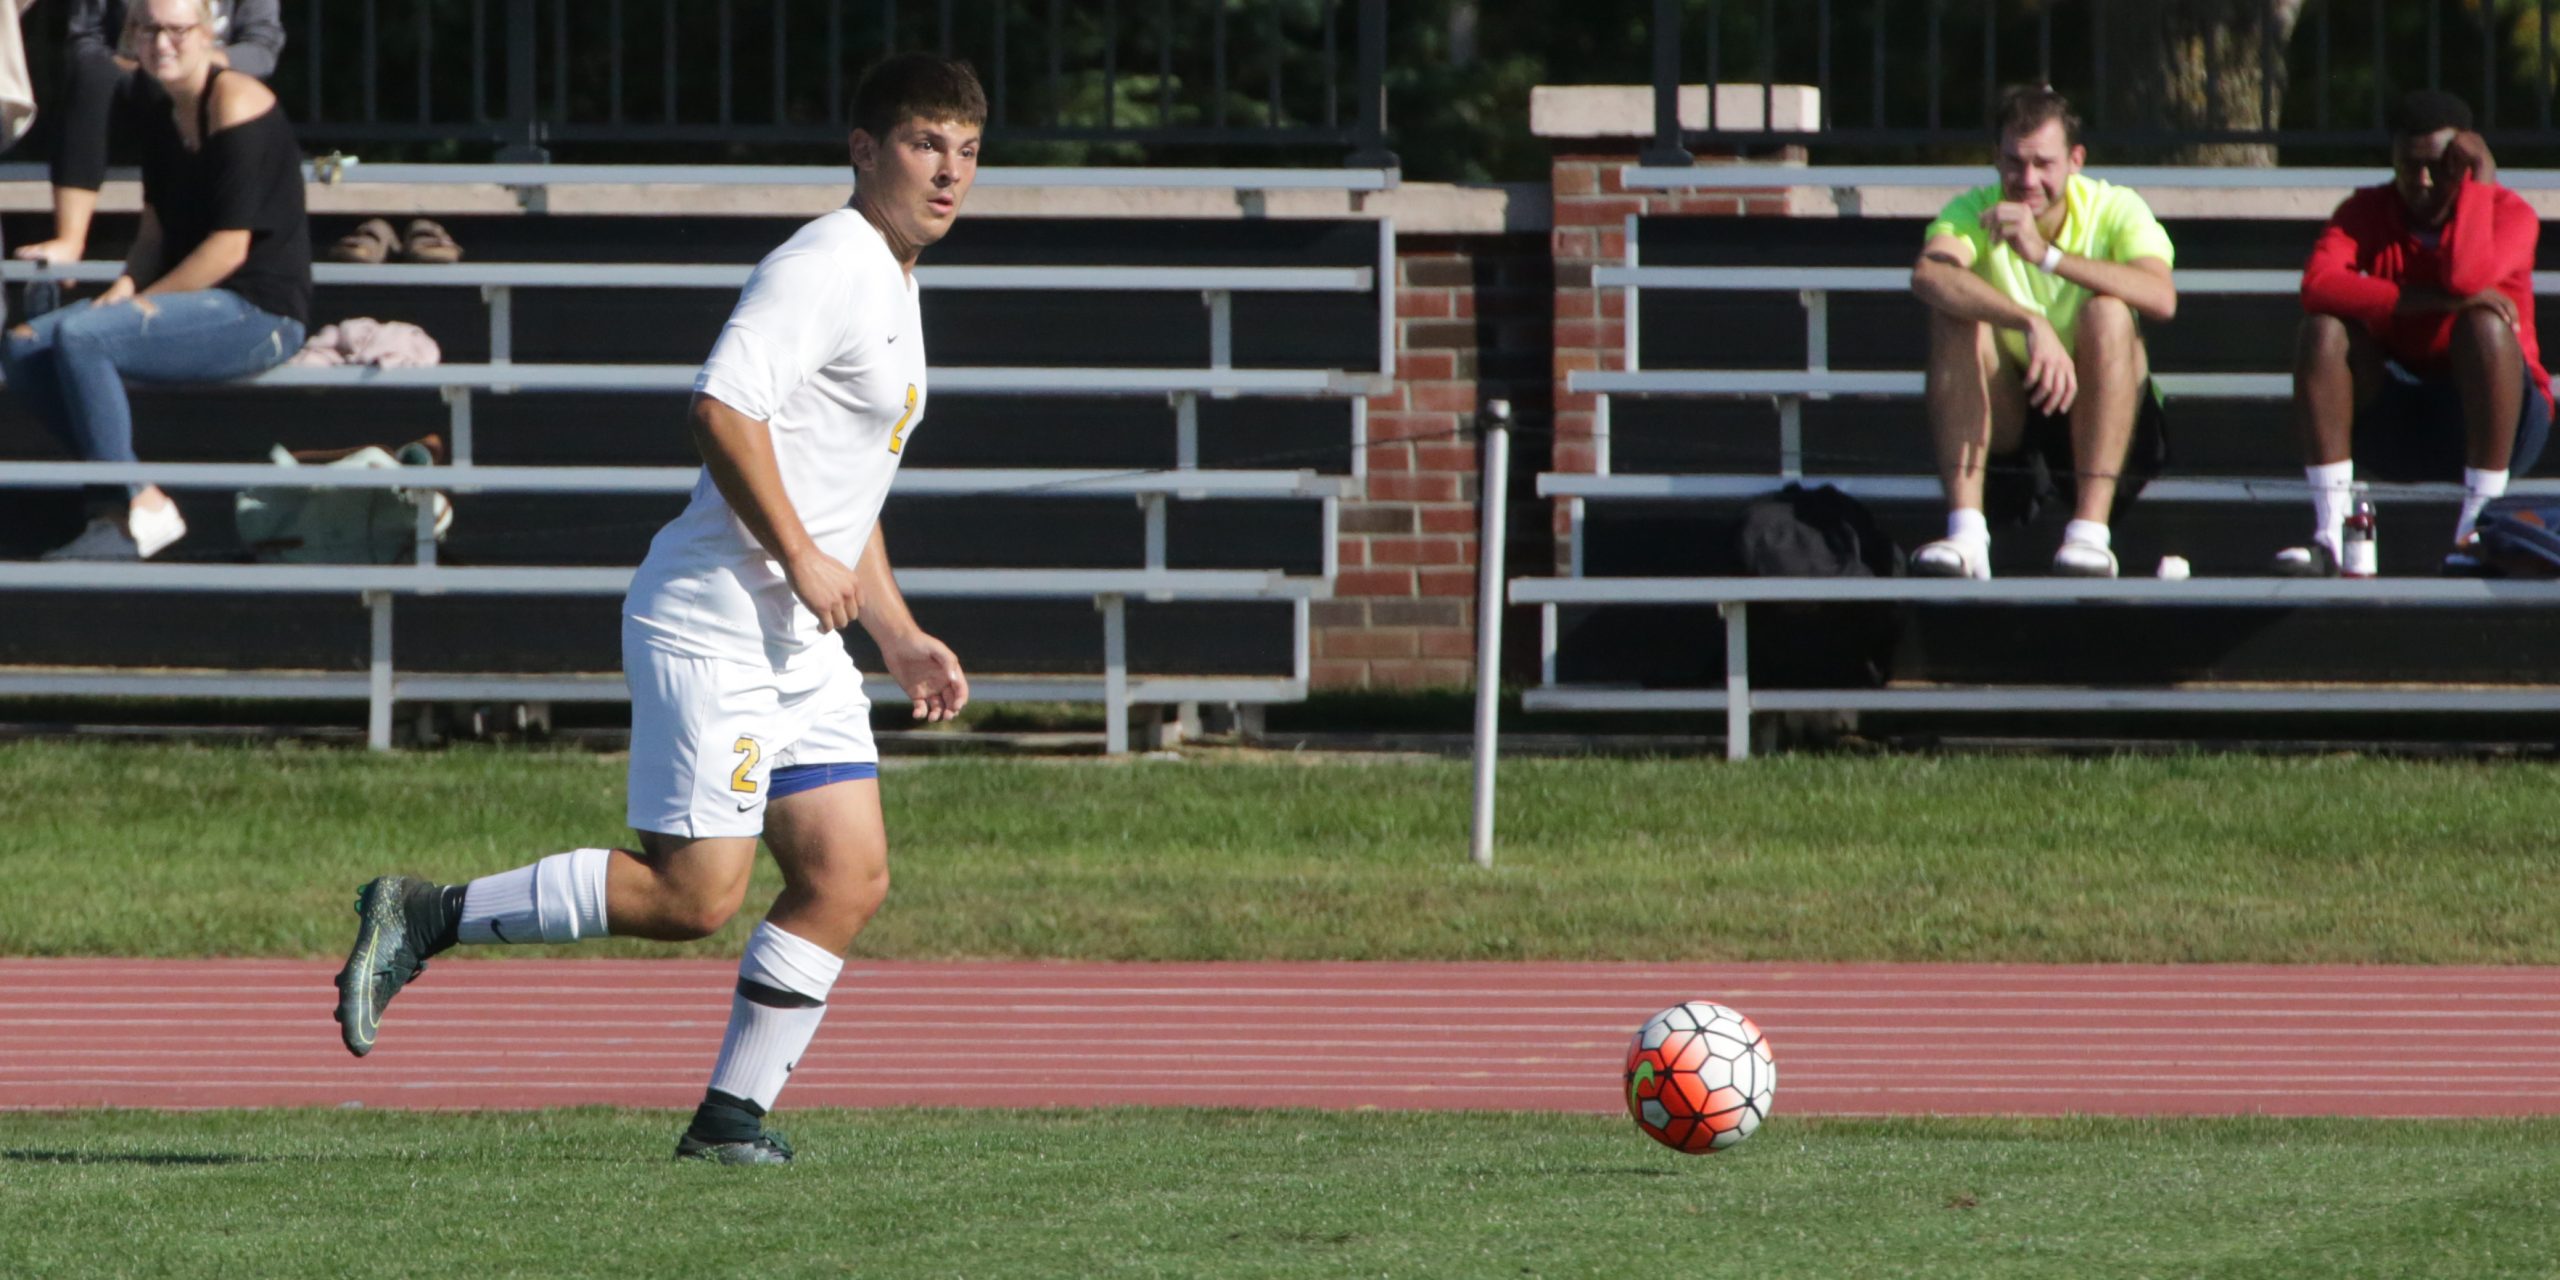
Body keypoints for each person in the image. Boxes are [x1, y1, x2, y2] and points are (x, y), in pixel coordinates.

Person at [330, 53, 983, 1166]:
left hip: (801, 637)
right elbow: (722, 411)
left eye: (968, 150)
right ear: (863, 151)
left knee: (845, 876)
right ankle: (423, 912)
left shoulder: (898, 277)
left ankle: (730, 1120)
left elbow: (842, 490)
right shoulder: (826, 260)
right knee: (695, 895)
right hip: (715, 618)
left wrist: (896, 628)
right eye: (926, 143)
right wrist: (796, 558)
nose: (949, 171)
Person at [4, 0, 307, 560]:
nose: (160, 43)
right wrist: (123, 289)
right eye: (146, 30)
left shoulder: (236, 100)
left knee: (83, 339)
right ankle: (134, 494)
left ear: (207, 33)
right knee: (23, 348)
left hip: (261, 310)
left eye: (176, 29)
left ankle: (131, 509)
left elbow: (229, 248)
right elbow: (155, 226)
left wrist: (142, 303)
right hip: (191, 296)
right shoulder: (159, 103)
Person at [1907, 85, 2179, 579]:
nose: (2027, 179)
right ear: (1996, 159)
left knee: (2108, 315)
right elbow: (1929, 274)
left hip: (2111, 419)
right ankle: (1967, 535)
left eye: (2043, 164)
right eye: (2014, 162)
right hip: (2016, 415)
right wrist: (2028, 322)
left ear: (2075, 160)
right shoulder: (1974, 208)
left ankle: (2090, 537)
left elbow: (2161, 298)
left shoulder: (2116, 207)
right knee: (1951, 310)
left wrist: (2045, 255)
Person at [2283, 90, 2550, 576]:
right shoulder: (2366, 211)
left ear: (2465, 163)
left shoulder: (2510, 214)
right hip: (2403, 413)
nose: (2423, 181)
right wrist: (2428, 302)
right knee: (2322, 333)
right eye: (2409, 167)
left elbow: (2466, 278)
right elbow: (2316, 285)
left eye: (2439, 167)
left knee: (2483, 326)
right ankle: (2332, 532)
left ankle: (2474, 529)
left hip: (2502, 423)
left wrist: (2479, 187)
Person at [14, 0, 283, 267]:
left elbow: (261, 47)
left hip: (209, 92)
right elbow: (84, 41)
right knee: (92, 74)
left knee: (184, 82)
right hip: (127, 89)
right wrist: (146, 63)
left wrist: (191, 62)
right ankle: (70, 239)